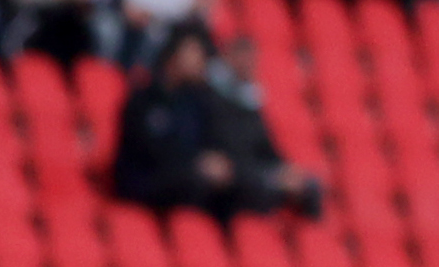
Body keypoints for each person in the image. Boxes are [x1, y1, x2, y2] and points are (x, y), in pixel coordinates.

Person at [113, 23, 324, 212]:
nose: (202, 60)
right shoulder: (144, 99)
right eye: (197, 52)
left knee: (238, 185)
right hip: (147, 180)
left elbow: (216, 143)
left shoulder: (195, 101)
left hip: (187, 176)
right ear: (175, 52)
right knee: (208, 182)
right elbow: (148, 149)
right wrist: (195, 163)